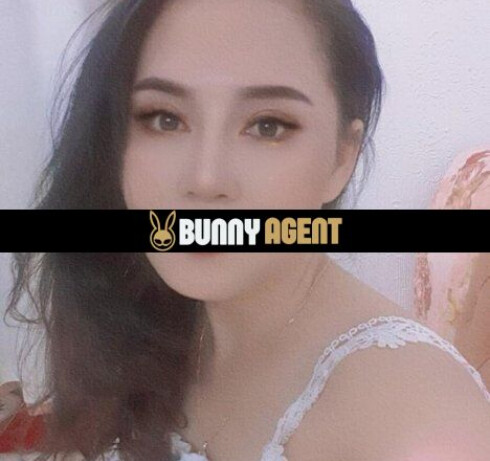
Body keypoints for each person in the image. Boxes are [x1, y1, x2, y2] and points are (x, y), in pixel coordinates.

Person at [6, 0, 490, 460]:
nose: (205, 180)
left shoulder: (416, 423)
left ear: (343, 157)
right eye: (165, 118)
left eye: (267, 126)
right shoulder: (154, 312)